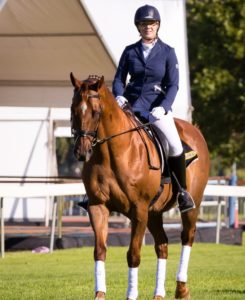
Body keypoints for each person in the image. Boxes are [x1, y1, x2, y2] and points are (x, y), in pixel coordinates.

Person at [112, 4, 195, 213]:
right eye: (143, 24)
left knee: (175, 146)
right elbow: (119, 79)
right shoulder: (129, 51)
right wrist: (119, 96)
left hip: (155, 107)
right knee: (104, 134)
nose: (148, 27)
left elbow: (174, 84)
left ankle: (182, 192)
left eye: (151, 23)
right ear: (138, 27)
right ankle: (94, 191)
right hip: (129, 106)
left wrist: (164, 107)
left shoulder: (168, 52)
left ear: (157, 26)